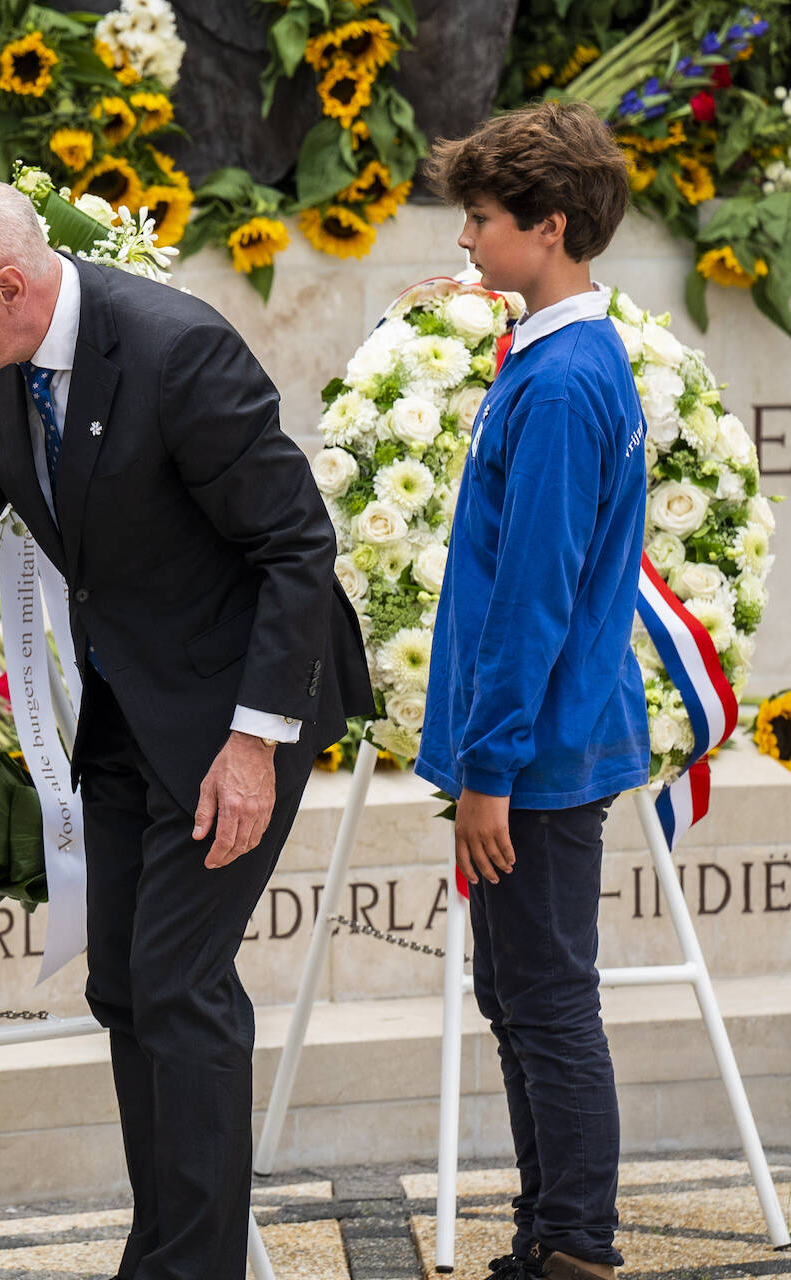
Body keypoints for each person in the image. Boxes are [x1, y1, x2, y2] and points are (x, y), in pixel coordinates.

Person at [0, 173, 373, 1279]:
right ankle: (169, 1249)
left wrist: (252, 743)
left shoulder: (177, 350)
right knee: (126, 987)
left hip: (242, 707)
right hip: (131, 709)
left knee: (180, 982)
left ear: (8, 284)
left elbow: (296, 546)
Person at [418, 101, 646, 1280]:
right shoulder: (561, 353)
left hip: (537, 758)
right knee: (518, 997)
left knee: (547, 1006)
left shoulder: (562, 382)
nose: (466, 241)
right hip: (537, 748)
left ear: (549, 227)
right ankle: (548, 1231)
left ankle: (577, 1249)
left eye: (483, 220)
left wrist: (488, 768)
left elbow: (534, 598)